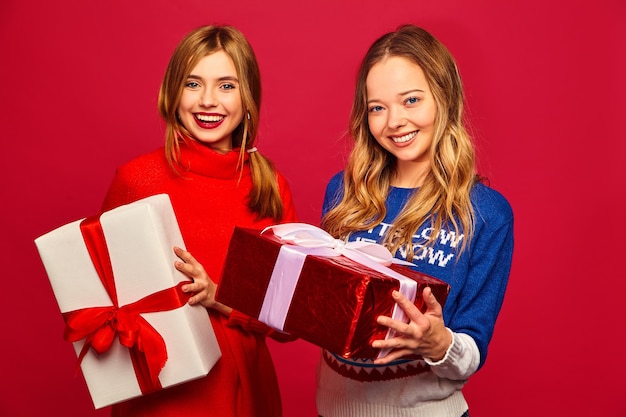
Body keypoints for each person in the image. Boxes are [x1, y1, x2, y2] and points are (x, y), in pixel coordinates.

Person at [316, 24, 513, 417]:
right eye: (377, 107)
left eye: (410, 100)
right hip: (332, 409)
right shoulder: (343, 192)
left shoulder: (487, 213)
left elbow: (472, 350)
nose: (393, 121)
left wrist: (438, 343)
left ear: (444, 98)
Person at [101, 25, 297, 417]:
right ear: (173, 93)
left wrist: (220, 296)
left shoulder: (269, 187)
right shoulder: (136, 180)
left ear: (248, 98)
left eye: (227, 86)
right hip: (159, 397)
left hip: (245, 396)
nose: (209, 100)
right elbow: (103, 302)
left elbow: (291, 321)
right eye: (193, 83)